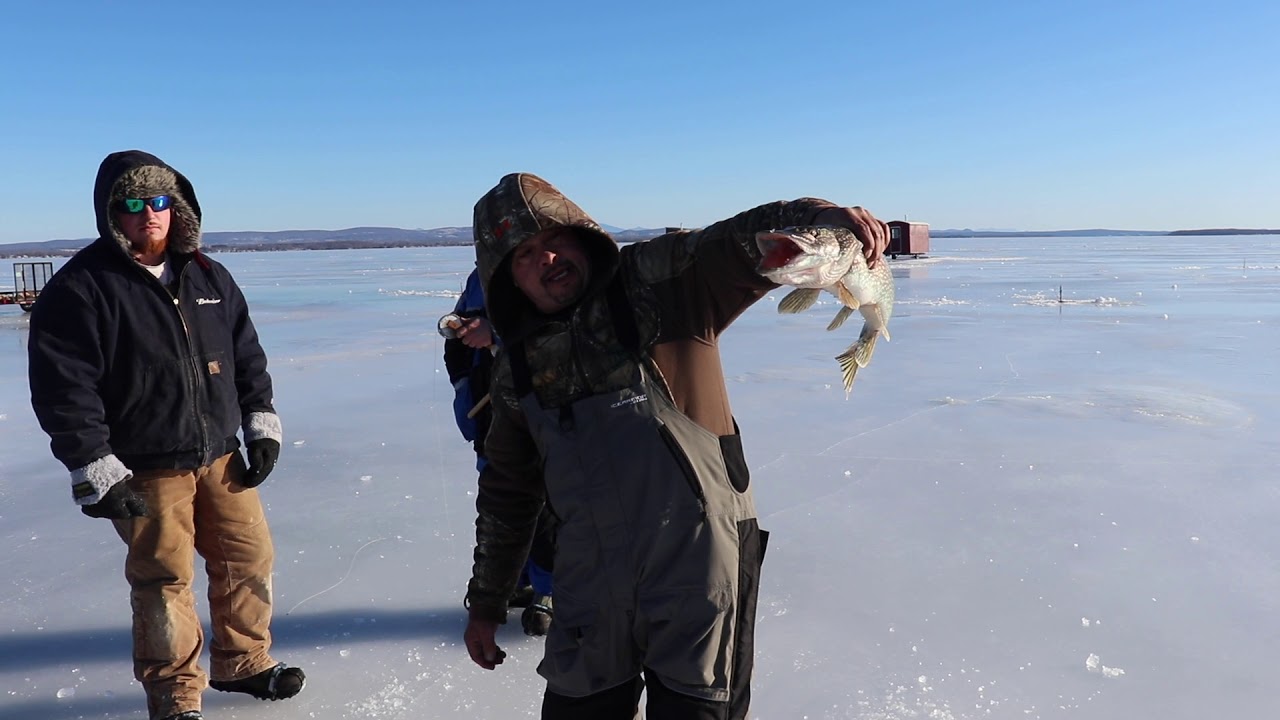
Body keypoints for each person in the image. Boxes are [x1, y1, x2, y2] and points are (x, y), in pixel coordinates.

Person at [461, 172, 887, 719]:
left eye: (553, 241)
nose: (544, 261)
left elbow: (738, 239)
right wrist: (488, 600)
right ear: (506, 280)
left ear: (580, 236)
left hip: (698, 574)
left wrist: (822, 216)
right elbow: (507, 492)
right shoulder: (517, 364)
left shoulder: (658, 285)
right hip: (589, 587)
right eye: (522, 256)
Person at [27, 150, 305, 720]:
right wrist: (95, 468)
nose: (149, 214)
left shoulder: (207, 275)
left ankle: (244, 662)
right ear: (113, 214)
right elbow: (64, 389)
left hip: (221, 455)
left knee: (248, 559)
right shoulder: (84, 287)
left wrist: (261, 423)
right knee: (163, 581)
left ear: (176, 209)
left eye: (159, 202)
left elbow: (246, 356)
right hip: (145, 465)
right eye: (133, 204)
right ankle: (177, 695)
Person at [444, 267, 556, 636]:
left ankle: (550, 591)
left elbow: (564, 333)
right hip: (489, 410)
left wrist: (496, 336)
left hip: (541, 411)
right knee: (498, 502)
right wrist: (458, 338)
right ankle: (513, 582)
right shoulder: (481, 275)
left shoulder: (548, 271)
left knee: (547, 508)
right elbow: (459, 340)